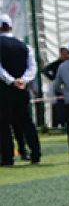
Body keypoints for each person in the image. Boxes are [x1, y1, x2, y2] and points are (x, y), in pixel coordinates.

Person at [0, 12, 42, 166]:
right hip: (22, 89)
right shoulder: (25, 46)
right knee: (26, 121)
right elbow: (33, 67)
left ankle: (7, 157)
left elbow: (0, 69)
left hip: (4, 89)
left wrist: (11, 81)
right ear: (11, 27)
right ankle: (35, 153)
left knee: (4, 123)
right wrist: (23, 80)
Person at [42, 47, 69, 132]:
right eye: (64, 54)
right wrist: (52, 77)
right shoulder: (56, 64)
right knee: (57, 107)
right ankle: (57, 125)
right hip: (58, 89)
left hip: (68, 89)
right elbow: (46, 70)